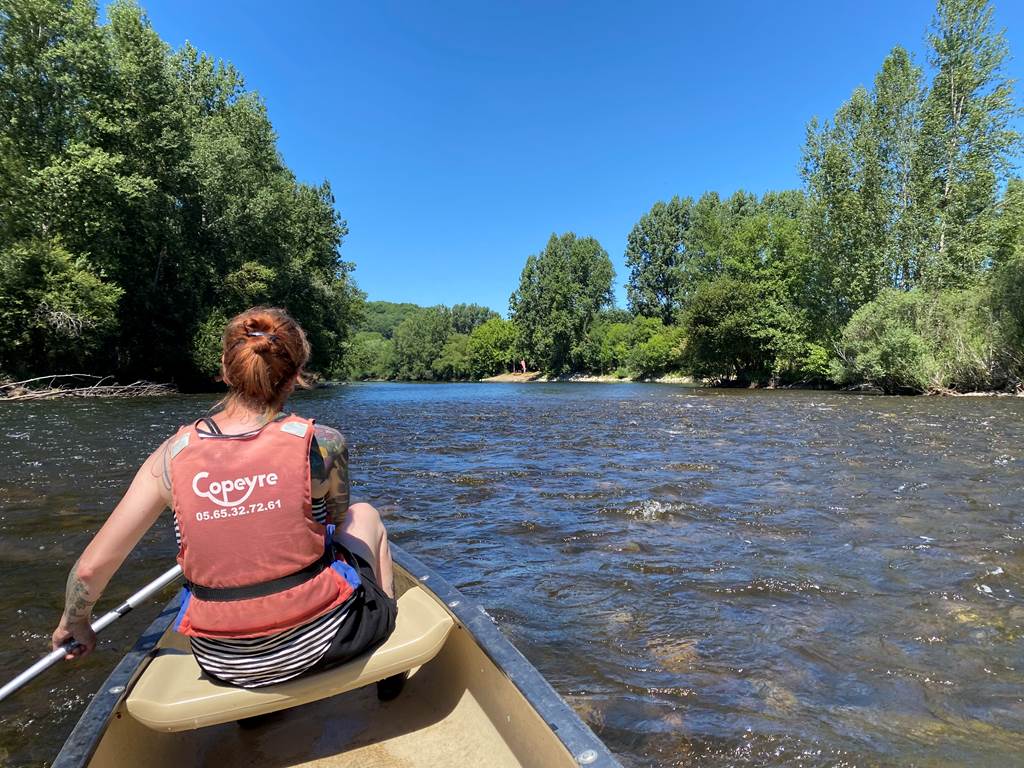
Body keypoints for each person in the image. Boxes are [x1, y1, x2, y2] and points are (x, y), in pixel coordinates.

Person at [50, 307, 397, 689]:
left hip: (223, 663)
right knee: (365, 516)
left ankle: (255, 709)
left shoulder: (171, 455)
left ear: (226, 369)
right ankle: (389, 658)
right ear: (297, 374)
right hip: (329, 641)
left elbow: (88, 571)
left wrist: (75, 621)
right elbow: (335, 518)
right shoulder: (323, 442)